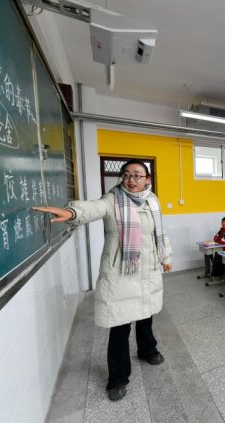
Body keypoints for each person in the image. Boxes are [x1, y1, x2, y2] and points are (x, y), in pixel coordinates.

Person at [34, 159, 171, 402]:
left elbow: (160, 232)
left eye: (138, 175)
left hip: (148, 270)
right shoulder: (112, 199)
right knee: (120, 326)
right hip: (121, 271)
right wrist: (72, 212)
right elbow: (92, 208)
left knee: (146, 315)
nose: (132, 179)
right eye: (127, 174)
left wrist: (165, 256)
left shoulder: (152, 200)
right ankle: (118, 378)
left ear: (147, 179)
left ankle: (147, 349)